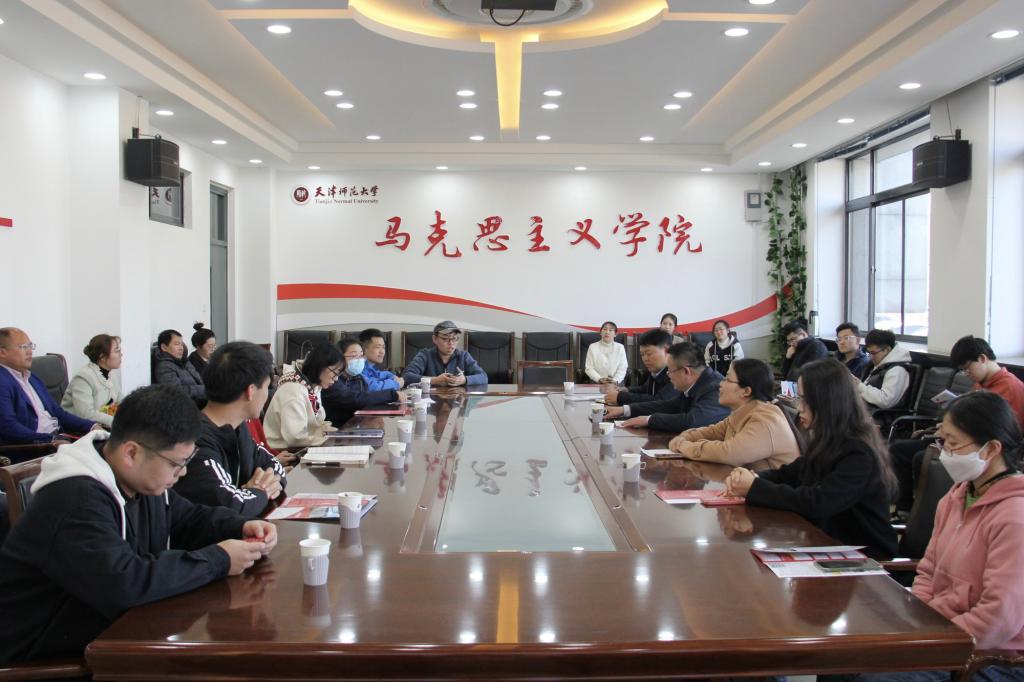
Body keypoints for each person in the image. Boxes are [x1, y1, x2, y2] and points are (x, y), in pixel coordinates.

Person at [0, 384, 276, 664]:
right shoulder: (75, 499)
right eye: (176, 464)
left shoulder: (139, 480)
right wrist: (219, 559)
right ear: (131, 453)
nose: (182, 473)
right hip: (48, 661)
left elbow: (187, 518)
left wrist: (240, 526)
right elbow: (125, 582)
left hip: (110, 635)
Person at [849, 392, 1024, 682]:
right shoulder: (955, 498)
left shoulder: (1015, 516)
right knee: (846, 650)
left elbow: (999, 618)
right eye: (943, 441)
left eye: (953, 443)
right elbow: (928, 570)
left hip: (989, 656)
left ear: (992, 448)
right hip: (940, 632)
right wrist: (916, 619)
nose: (944, 453)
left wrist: (933, 641)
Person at [724, 358, 898, 559]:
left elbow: (817, 502)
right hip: (828, 546)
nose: (799, 408)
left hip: (865, 559)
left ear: (827, 402)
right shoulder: (829, 441)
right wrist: (751, 477)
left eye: (805, 400)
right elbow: (790, 474)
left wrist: (754, 487)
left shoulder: (859, 453)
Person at [173, 341, 286, 516]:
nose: (267, 395)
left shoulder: (238, 427)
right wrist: (262, 491)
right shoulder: (195, 441)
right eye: (266, 387)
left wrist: (265, 484)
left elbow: (273, 463)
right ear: (251, 391)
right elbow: (232, 506)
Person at [668, 358, 800, 471]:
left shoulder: (765, 419)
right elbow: (712, 432)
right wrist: (684, 437)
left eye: (727, 379)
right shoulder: (743, 412)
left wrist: (684, 446)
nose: (720, 384)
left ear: (746, 391)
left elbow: (729, 453)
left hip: (774, 492)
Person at [0, 327, 96, 448]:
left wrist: (92, 426)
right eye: (23, 347)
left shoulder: (32, 378)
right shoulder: (3, 381)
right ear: (2, 352)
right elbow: (8, 427)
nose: (29, 351)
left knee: (106, 444)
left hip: (58, 437)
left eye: (30, 346)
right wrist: (51, 440)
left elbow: (58, 413)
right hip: (33, 447)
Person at [603, 341, 730, 433]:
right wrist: (625, 409)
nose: (668, 375)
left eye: (670, 370)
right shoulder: (698, 382)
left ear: (686, 371)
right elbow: (669, 405)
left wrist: (649, 420)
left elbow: (692, 422)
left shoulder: (716, 388)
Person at [263, 342, 342, 450]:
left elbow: (317, 424)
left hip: (304, 444)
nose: (336, 379)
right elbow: (296, 438)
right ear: (320, 366)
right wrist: (330, 440)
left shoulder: (313, 386)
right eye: (335, 373)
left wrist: (337, 434)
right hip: (284, 451)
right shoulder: (294, 391)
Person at [323, 337, 402, 427]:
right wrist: (392, 394)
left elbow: (367, 399)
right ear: (339, 358)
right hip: (336, 428)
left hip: (356, 425)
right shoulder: (332, 379)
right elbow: (354, 399)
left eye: (361, 356)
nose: (358, 360)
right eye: (353, 356)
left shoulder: (359, 378)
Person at [950, 335, 1024, 428]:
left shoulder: (1012, 388)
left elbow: (1011, 432)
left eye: (967, 368)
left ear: (982, 358)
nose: (966, 374)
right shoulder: (980, 383)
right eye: (963, 370)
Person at [61, 333, 123, 428]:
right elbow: (86, 414)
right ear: (102, 357)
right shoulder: (83, 378)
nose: (121, 354)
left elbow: (120, 401)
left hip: (102, 425)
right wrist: (118, 422)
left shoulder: (111, 374)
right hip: (79, 428)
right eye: (117, 351)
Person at [401, 321, 487, 387]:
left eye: (454, 339)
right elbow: (406, 376)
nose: (451, 343)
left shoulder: (463, 356)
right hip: (431, 400)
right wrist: (434, 380)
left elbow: (483, 377)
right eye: (445, 339)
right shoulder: (425, 355)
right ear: (435, 339)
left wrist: (465, 380)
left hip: (456, 401)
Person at [604, 329, 678, 406]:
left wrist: (621, 397)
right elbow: (644, 389)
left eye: (649, 354)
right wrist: (626, 390)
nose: (645, 359)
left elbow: (660, 401)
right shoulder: (656, 370)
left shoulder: (676, 372)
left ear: (666, 351)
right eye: (642, 354)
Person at [857, 329, 913, 410]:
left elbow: (885, 401)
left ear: (887, 350)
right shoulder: (881, 363)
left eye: (873, 353)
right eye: (869, 353)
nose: (871, 357)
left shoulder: (897, 370)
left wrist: (860, 386)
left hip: (879, 414)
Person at [153, 329, 205, 405]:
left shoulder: (185, 362)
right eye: (177, 344)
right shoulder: (164, 367)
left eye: (181, 344)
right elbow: (176, 392)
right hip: (187, 407)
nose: (181, 348)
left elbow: (199, 381)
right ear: (164, 347)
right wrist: (204, 390)